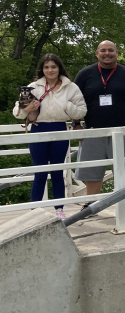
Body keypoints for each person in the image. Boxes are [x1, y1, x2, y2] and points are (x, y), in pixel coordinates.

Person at [74, 40, 125, 216]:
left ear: (117, 52)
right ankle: (91, 205)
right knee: (92, 170)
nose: (107, 53)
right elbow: (74, 100)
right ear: (96, 53)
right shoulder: (85, 74)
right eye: (103, 50)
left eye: (111, 50)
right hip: (93, 129)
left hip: (124, 130)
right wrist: (76, 124)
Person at [13, 54, 87, 219]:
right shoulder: (33, 86)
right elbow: (17, 113)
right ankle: (35, 211)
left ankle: (59, 209)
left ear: (59, 67)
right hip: (38, 129)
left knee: (57, 171)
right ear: (42, 69)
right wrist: (28, 108)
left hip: (59, 128)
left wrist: (66, 106)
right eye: (46, 67)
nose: (50, 70)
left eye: (53, 66)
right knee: (39, 172)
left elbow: (82, 111)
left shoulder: (71, 87)